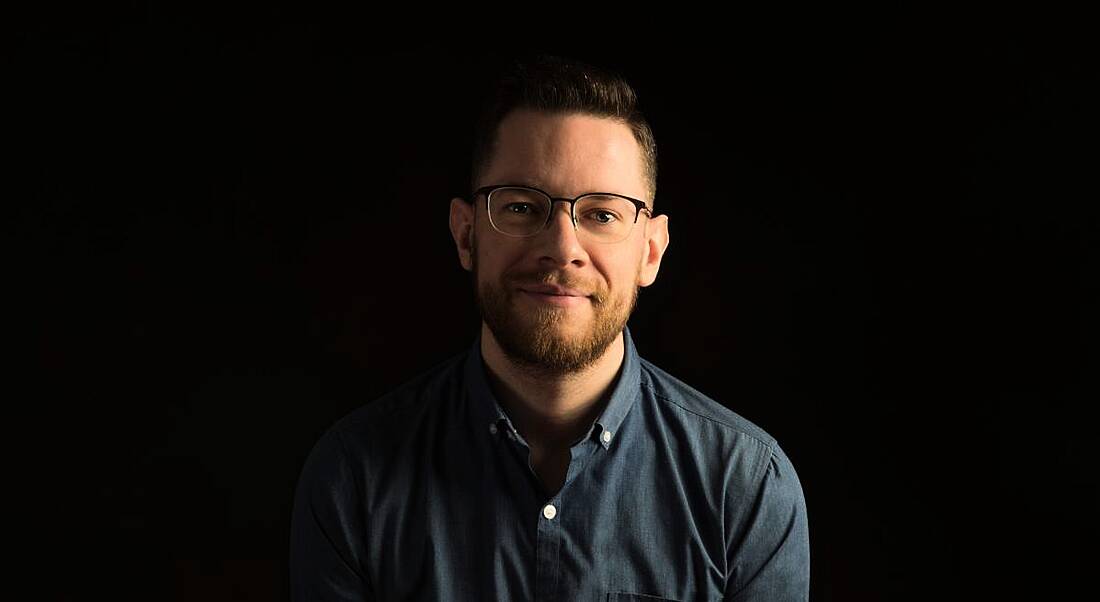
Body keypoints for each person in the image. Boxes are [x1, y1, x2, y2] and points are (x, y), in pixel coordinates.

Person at [290, 53, 809, 601]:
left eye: (602, 214)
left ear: (651, 252)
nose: (561, 248)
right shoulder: (352, 477)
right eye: (520, 207)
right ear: (466, 235)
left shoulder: (745, 486)